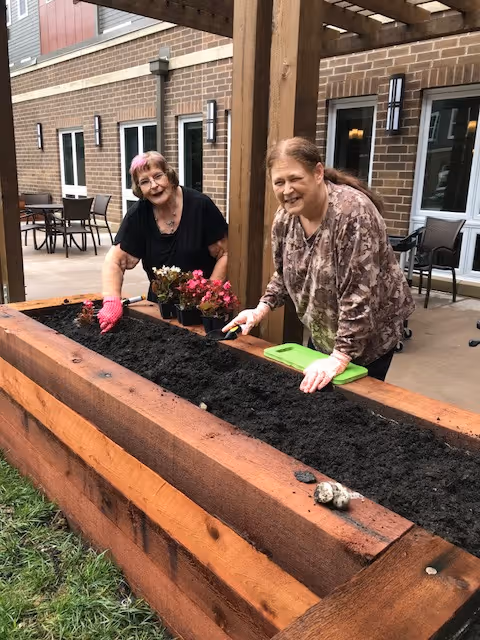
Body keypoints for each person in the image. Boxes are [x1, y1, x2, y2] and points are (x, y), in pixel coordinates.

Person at [224, 137, 414, 393]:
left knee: (353, 410)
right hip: (325, 331)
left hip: (371, 337)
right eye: (279, 182)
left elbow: (359, 295)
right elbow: (285, 274)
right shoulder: (284, 219)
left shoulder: (352, 214)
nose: (287, 190)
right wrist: (261, 308)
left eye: (294, 179)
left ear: (317, 173)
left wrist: (340, 357)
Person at [98, 151, 228, 333]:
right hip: (161, 308)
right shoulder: (138, 215)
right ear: (139, 189)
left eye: (158, 176)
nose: (154, 185)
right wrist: (111, 301)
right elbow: (115, 260)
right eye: (144, 182)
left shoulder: (201, 206)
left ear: (170, 175)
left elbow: (225, 253)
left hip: (202, 311)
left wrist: (209, 296)